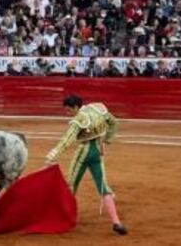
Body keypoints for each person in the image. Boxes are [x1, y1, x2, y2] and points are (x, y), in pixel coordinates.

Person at [45, 94, 128, 236]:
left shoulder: (79, 120)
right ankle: (116, 222)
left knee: (71, 185)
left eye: (69, 110)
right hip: (98, 151)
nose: (67, 113)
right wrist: (106, 140)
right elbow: (114, 123)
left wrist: (52, 155)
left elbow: (67, 140)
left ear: (76, 107)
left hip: (84, 153)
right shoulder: (97, 108)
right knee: (103, 187)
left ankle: (66, 219)